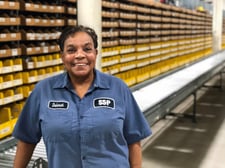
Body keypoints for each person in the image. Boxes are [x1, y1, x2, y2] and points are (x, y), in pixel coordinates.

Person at [12, 25, 152, 168]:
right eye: (71, 50)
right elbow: (26, 140)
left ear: (96, 53)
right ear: (62, 56)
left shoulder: (118, 88)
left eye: (87, 49)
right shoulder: (43, 91)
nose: (80, 55)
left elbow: (134, 140)